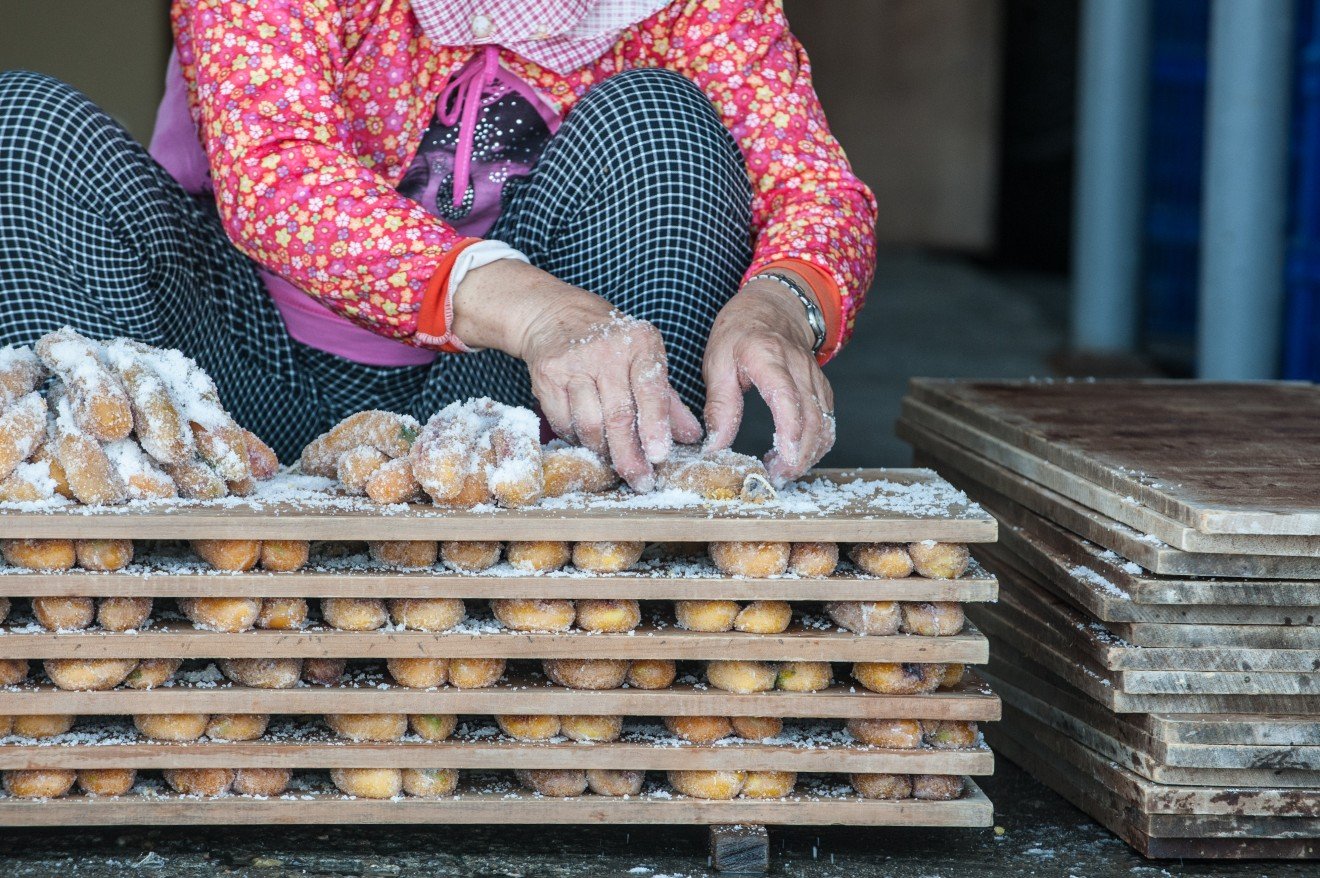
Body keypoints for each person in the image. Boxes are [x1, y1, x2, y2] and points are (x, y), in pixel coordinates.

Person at [0, 0, 876, 489]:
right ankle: (138, 589)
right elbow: (276, 177)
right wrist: (530, 308)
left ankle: (570, 584)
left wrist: (779, 305)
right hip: (226, 373)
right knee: (27, 135)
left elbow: (811, 183)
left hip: (504, 410)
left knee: (663, 131)